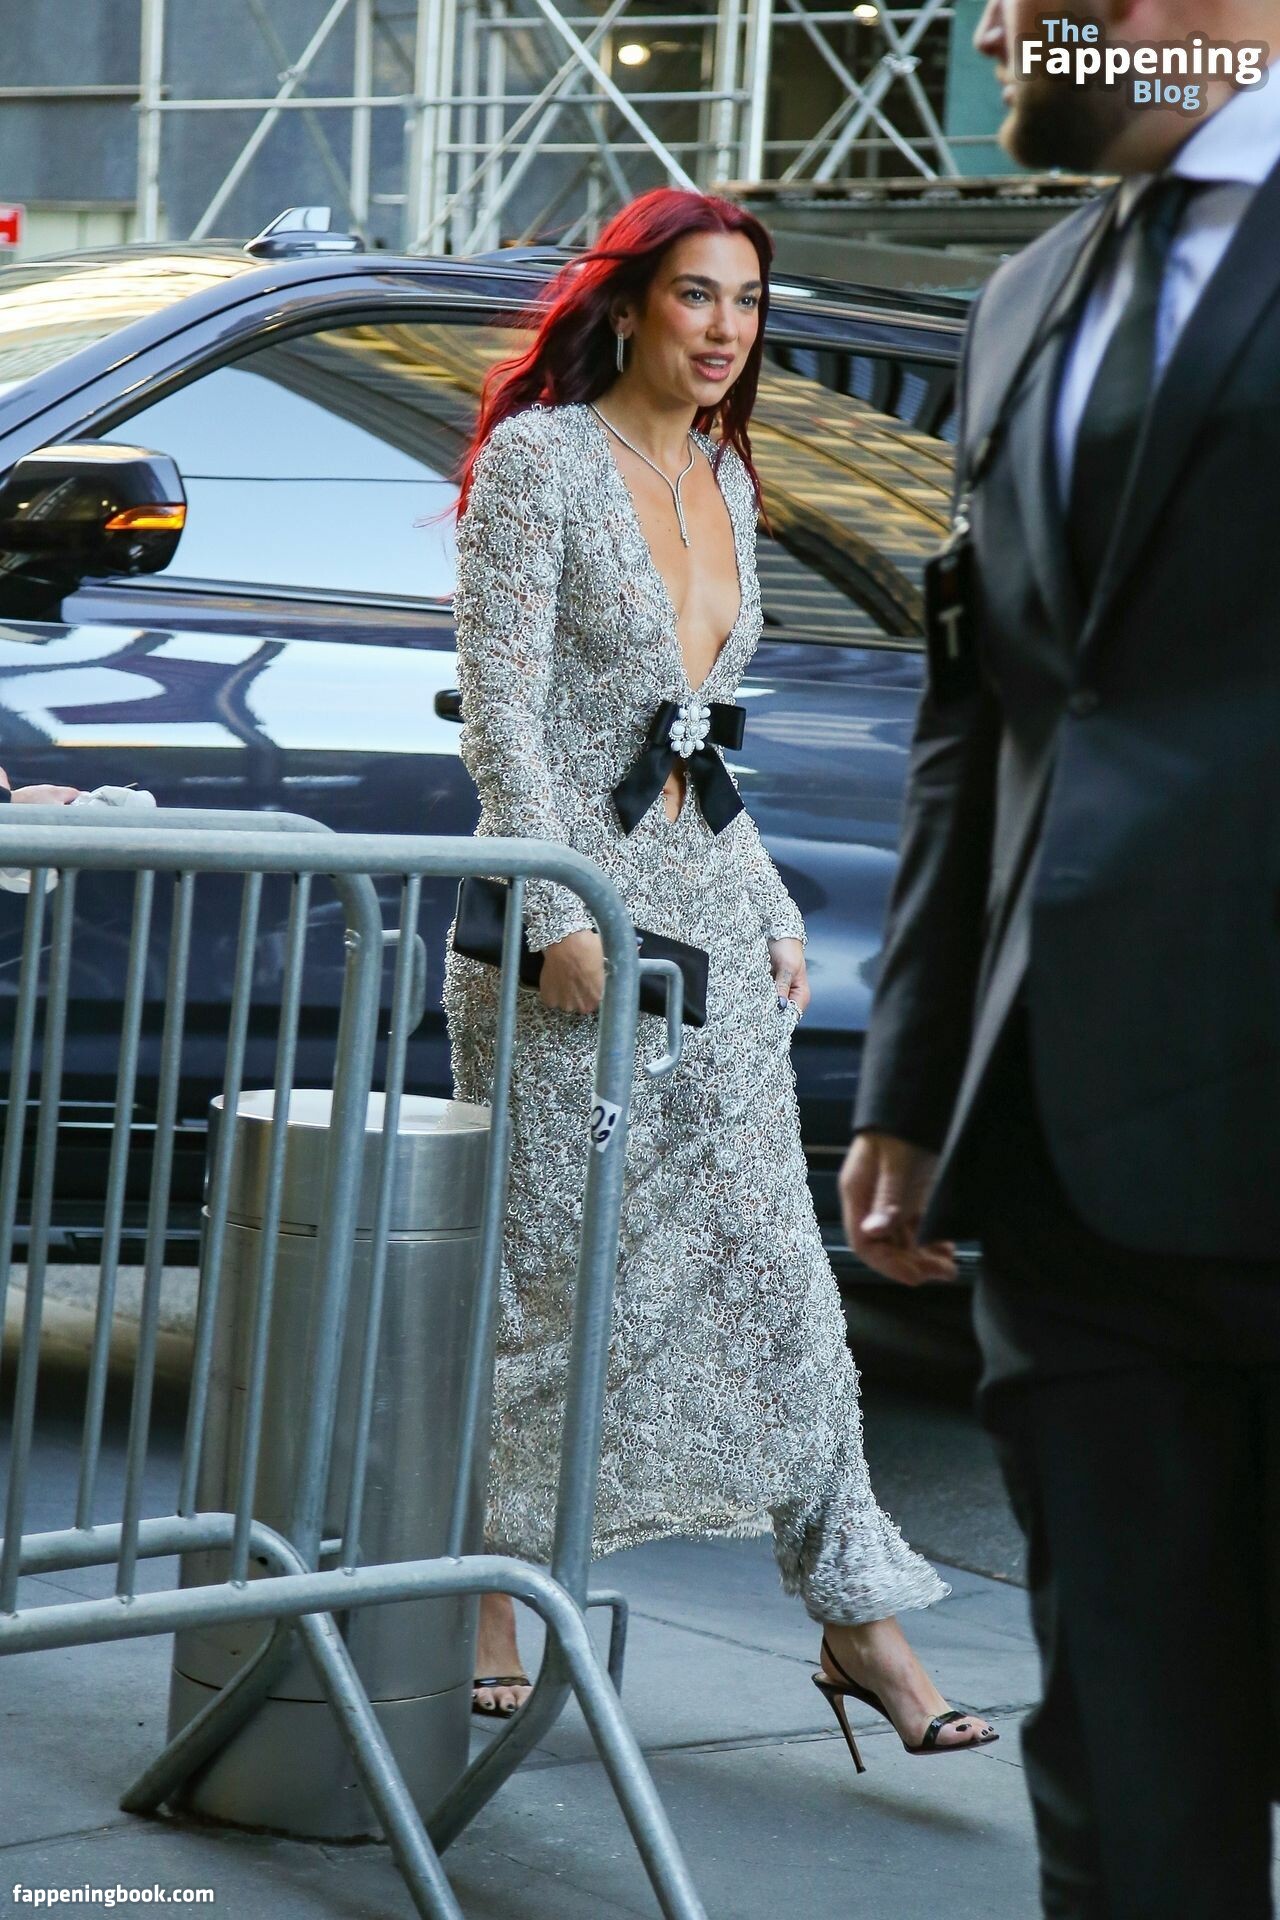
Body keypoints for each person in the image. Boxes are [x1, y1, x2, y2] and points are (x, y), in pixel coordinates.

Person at [442, 187, 998, 1759]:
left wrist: (767, 910)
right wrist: (555, 912)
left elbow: (694, 747)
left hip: (704, 913)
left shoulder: (728, 477)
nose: (725, 329)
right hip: (565, 921)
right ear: (628, 304)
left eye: (747, 302)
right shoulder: (542, 462)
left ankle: (859, 1624)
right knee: (548, 1276)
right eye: (697, 295)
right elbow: (504, 719)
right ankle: (491, 1594)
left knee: (778, 1278)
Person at [841, 1, 1280, 1911]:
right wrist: (915, 1080)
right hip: (1073, 1173)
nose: (996, 28)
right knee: (1127, 1787)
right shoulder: (1024, 297)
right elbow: (986, 711)